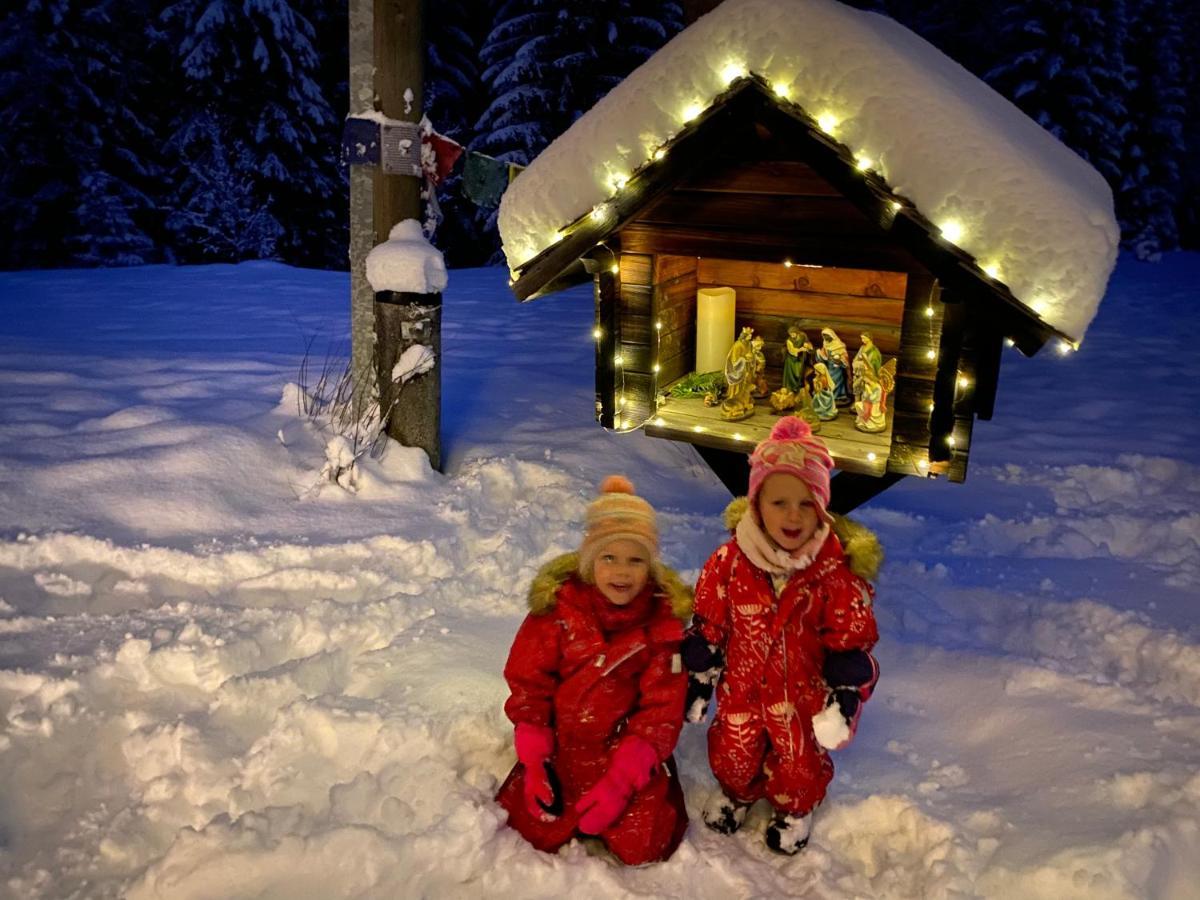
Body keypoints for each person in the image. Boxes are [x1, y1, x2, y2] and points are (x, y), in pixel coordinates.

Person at [682, 417, 882, 854]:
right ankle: (737, 794)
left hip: (801, 696)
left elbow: (851, 638)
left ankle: (794, 809)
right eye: (779, 502)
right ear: (756, 505)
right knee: (734, 749)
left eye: (806, 504)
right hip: (742, 690)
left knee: (798, 760)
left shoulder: (834, 575)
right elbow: (710, 619)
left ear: (822, 508)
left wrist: (845, 691)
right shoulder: (729, 562)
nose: (793, 515)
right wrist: (701, 668)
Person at [495, 476, 691, 865]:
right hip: (562, 745)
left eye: (635, 560)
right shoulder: (560, 610)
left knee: (644, 845)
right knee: (529, 827)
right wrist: (535, 756)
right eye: (609, 558)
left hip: (622, 749)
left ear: (650, 568)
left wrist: (621, 781)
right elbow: (529, 681)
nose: (622, 572)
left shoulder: (662, 626)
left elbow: (661, 712)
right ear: (590, 562)